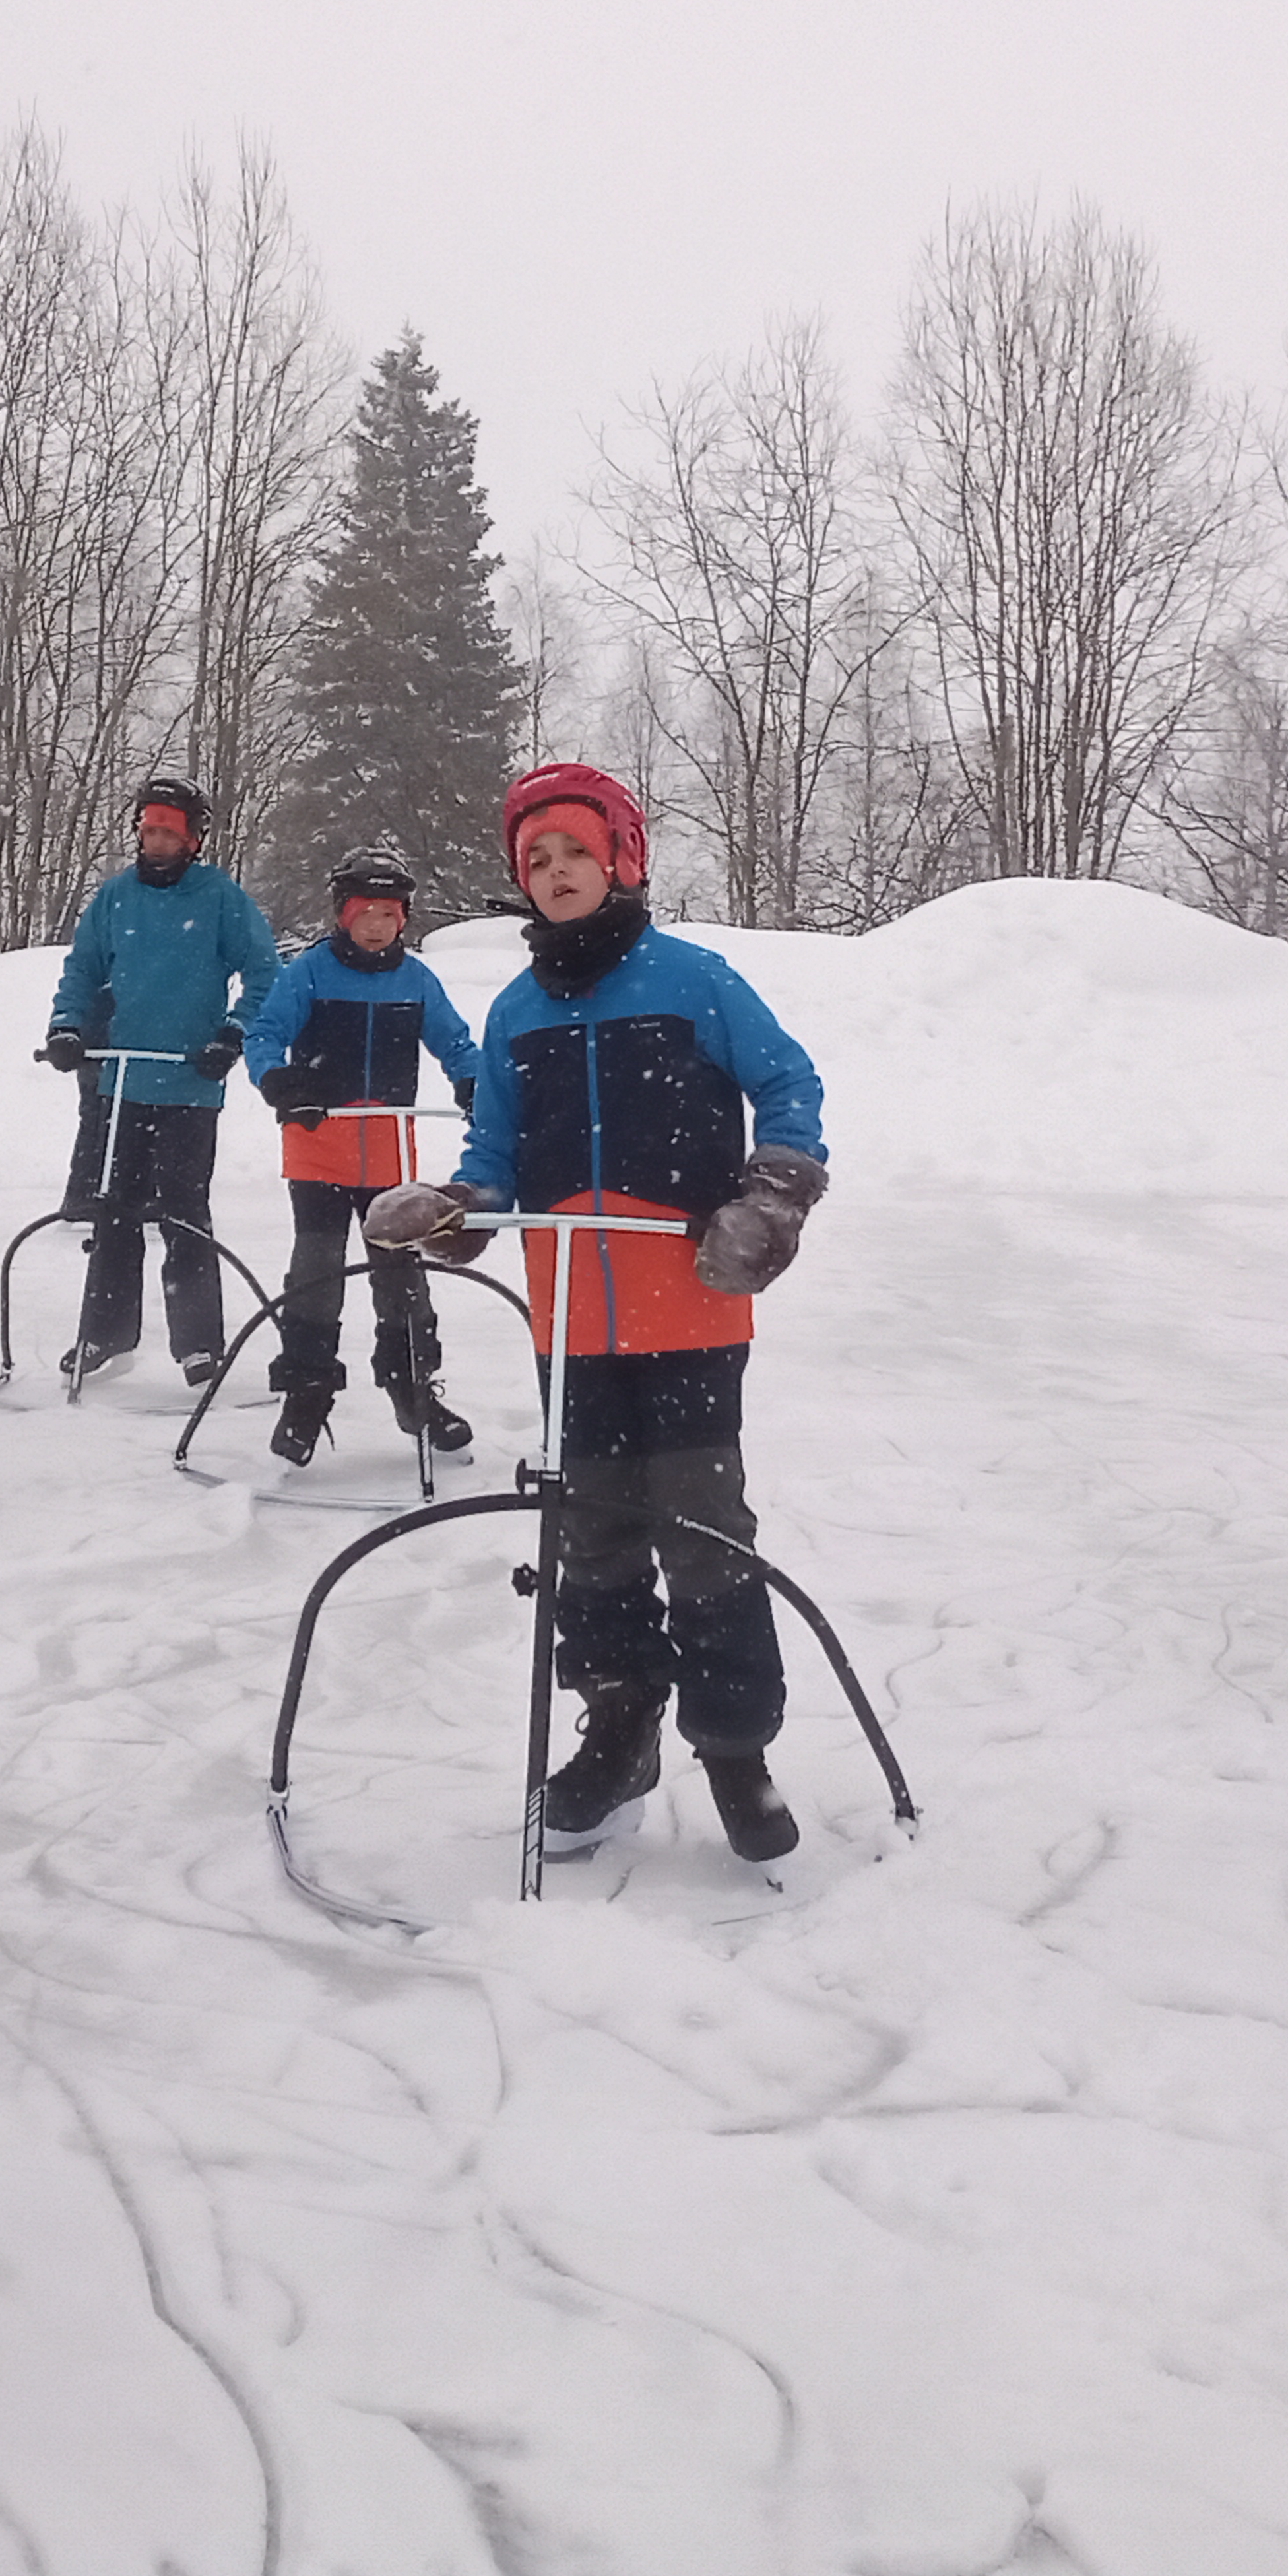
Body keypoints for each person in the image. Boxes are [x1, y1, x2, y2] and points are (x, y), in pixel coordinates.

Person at [370, 762, 832, 1862]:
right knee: (594, 1534)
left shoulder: (692, 979)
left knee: (706, 1531)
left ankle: (735, 1748)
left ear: (620, 858)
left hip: (693, 1308)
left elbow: (789, 1083)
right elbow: (497, 1153)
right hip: (570, 1320)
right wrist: (458, 1205)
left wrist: (769, 1197)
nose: (556, 871)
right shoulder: (518, 1009)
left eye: (575, 851)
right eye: (536, 860)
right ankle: (621, 1727)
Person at [233, 848, 482, 1465]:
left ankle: (412, 1387)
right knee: (316, 1279)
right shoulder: (310, 973)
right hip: (320, 1153)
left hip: (390, 1160)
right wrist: (282, 1083)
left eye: (390, 913)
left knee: (403, 1284)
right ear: (344, 915)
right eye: (365, 912)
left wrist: (474, 1082)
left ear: (405, 919)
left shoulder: (417, 980)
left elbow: (455, 1041)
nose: (377, 924)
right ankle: (306, 1397)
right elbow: (264, 1036)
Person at [34, 774, 279, 1390]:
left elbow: (264, 972)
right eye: (150, 828)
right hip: (123, 1082)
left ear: (193, 839)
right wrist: (67, 1027)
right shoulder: (114, 899)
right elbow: (82, 971)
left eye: (171, 830)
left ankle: (200, 1346)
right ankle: (105, 1332)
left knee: (185, 1215)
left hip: (191, 1086)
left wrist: (233, 1034)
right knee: (114, 1212)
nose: (158, 839)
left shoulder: (220, 899)